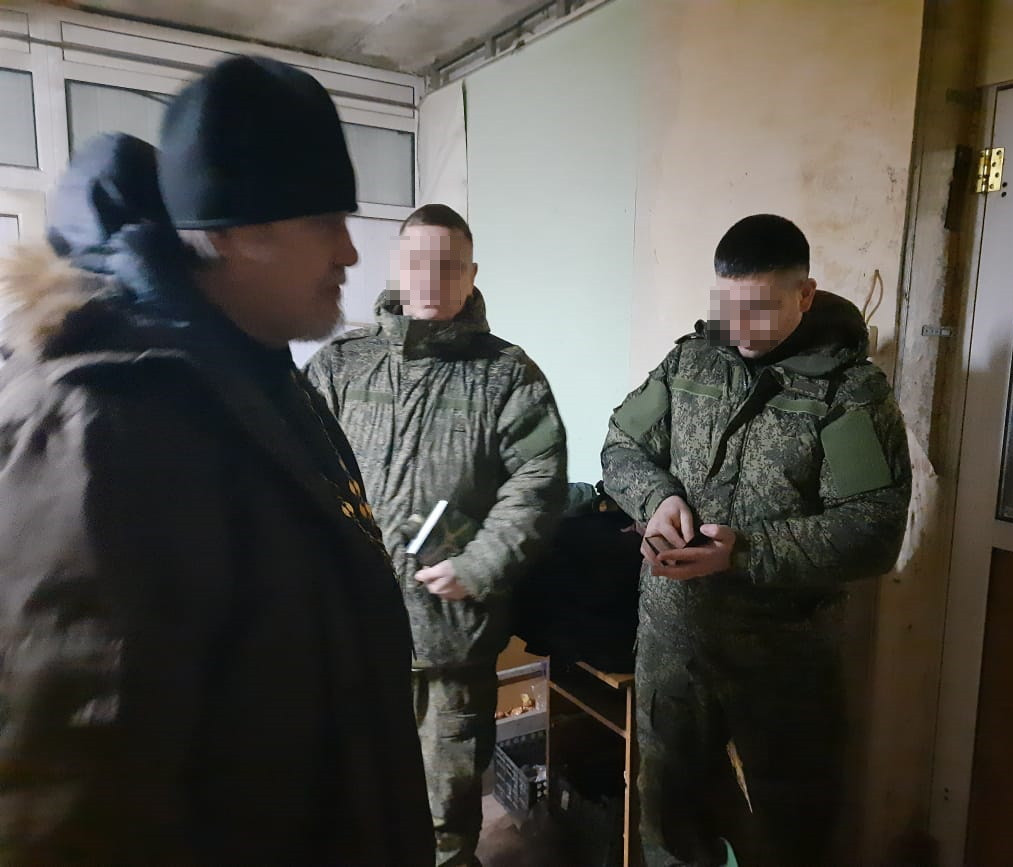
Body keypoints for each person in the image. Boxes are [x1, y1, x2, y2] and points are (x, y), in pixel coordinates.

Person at [0, 55, 432, 865]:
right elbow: (71, 799)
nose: (350, 252)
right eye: (322, 221)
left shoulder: (260, 379)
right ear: (234, 231)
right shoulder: (105, 426)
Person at [601, 214, 912, 866]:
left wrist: (742, 552)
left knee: (790, 828)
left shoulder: (848, 393)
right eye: (728, 306)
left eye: (761, 308)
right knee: (669, 818)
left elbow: (873, 529)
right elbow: (623, 444)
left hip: (782, 656)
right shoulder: (690, 360)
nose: (740, 328)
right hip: (675, 641)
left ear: (805, 295)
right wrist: (657, 501)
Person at [306, 203, 567, 867]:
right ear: (397, 265)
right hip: (353, 636)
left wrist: (479, 564)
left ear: (472, 274)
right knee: (351, 798)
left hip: (451, 639)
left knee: (444, 817)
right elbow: (297, 473)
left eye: (449, 266)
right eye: (418, 262)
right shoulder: (341, 366)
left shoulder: (508, 374)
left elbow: (537, 482)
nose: (431, 278)